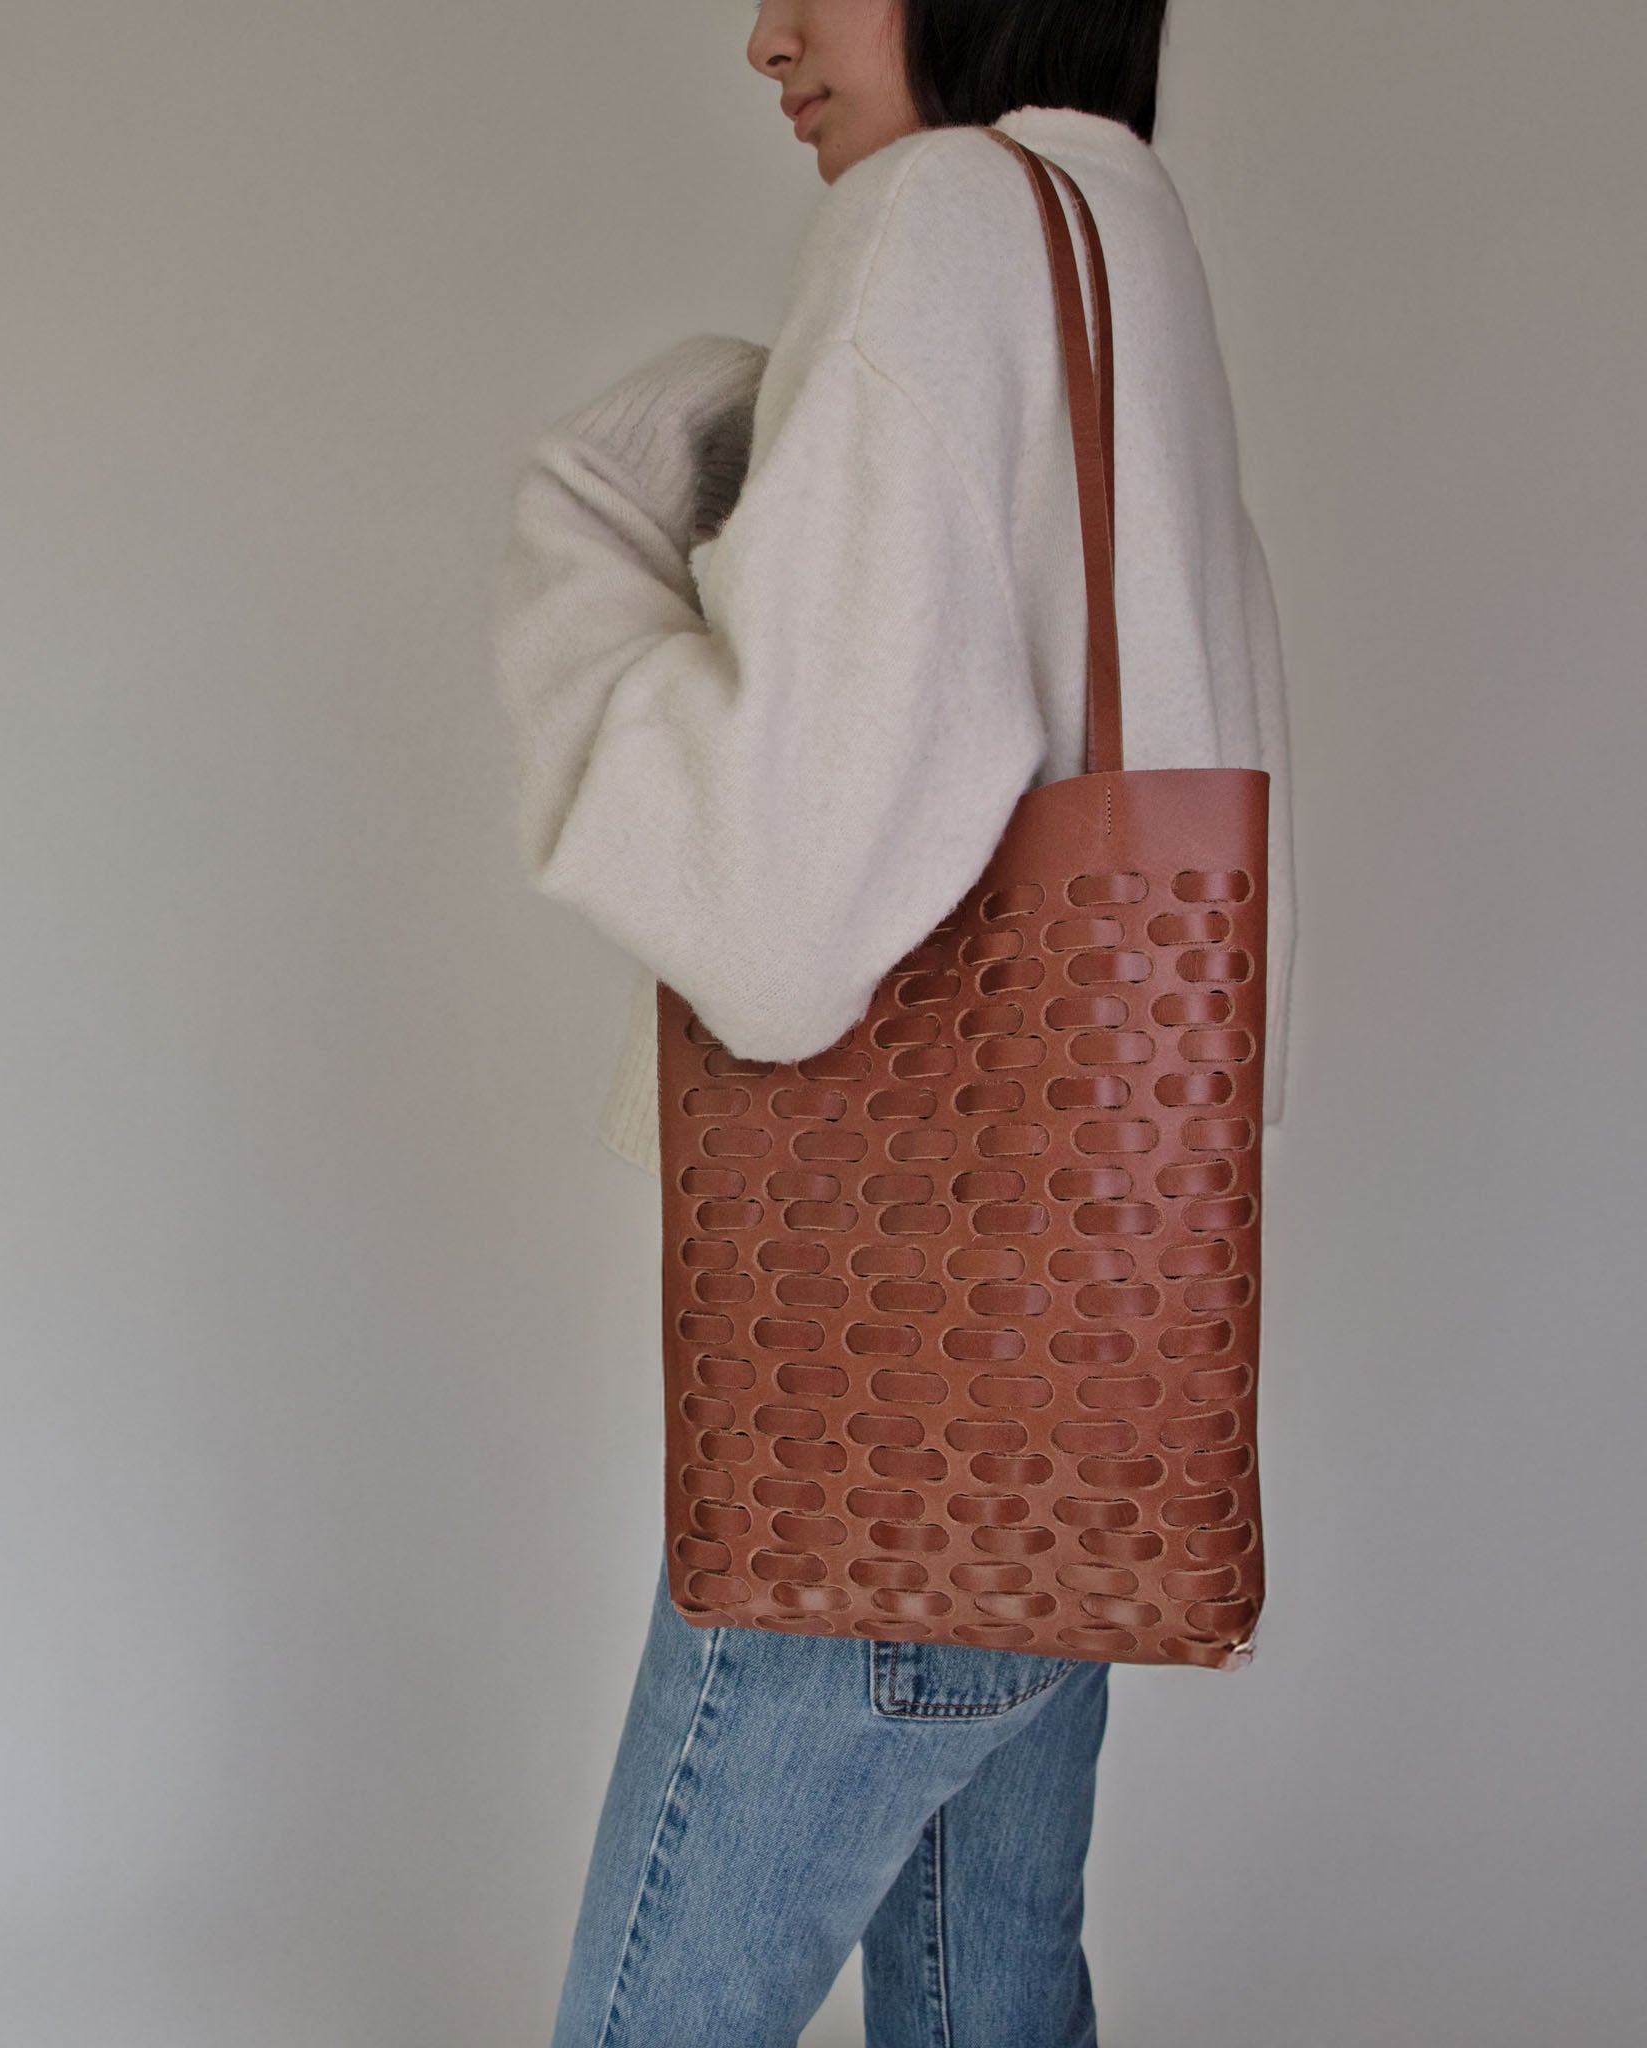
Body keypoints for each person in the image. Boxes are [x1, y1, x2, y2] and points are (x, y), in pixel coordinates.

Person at [488, 3, 1296, 2042]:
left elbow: (769, 918)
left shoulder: (940, 220)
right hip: (1083, 1379)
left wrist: (597, 519)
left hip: (890, 1397)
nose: (763, 33)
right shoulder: (1118, 229)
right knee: (988, 2001)